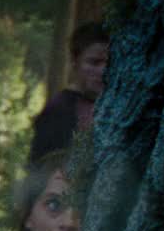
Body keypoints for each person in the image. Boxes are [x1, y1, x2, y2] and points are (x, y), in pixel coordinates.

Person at [29, 22, 108, 163]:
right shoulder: (58, 110)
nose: (103, 71)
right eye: (94, 62)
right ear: (75, 62)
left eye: (108, 63)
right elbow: (40, 167)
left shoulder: (115, 104)